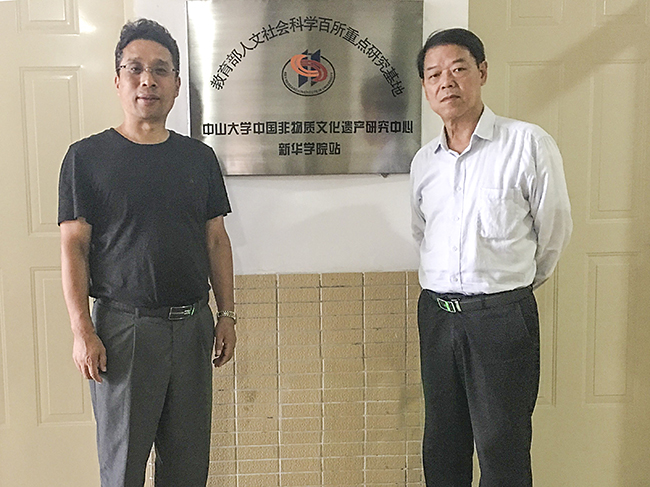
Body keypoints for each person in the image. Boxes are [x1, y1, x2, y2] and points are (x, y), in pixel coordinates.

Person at [58, 19, 236, 487]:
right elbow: (74, 246)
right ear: (117, 80)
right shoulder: (86, 158)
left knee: (187, 468)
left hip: (193, 327)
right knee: (123, 470)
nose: (147, 80)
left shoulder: (199, 159)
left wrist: (227, 314)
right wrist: (82, 331)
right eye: (135, 68)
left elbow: (216, 239)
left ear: (176, 83)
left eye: (160, 70)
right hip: (124, 331)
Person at [410, 28, 572, 486]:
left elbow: (554, 230)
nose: (446, 82)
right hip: (437, 315)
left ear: (481, 72)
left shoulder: (527, 144)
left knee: (502, 447)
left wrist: (508, 289)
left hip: (501, 317)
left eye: (458, 68)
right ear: (425, 87)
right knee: (442, 444)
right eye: (434, 74)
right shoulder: (425, 162)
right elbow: (421, 232)